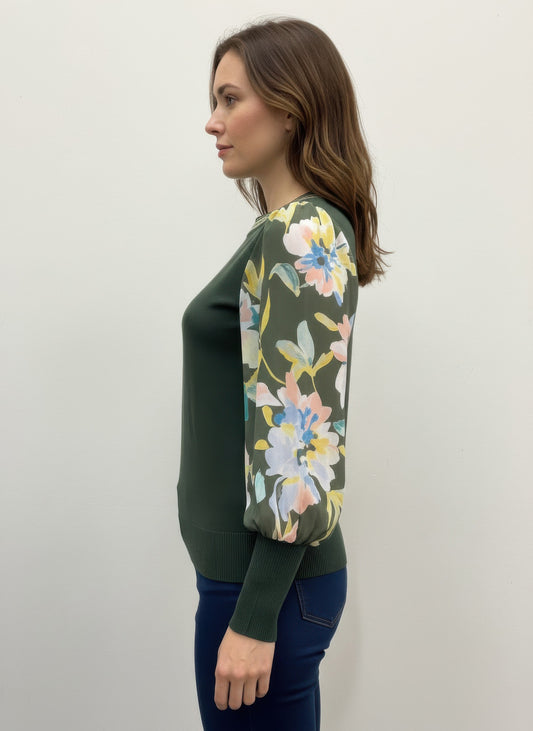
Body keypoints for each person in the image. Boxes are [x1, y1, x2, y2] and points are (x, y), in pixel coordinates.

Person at [176, 16, 389, 731]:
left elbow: (303, 439)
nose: (213, 121)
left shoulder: (301, 233)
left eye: (230, 99)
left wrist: (255, 613)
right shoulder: (290, 229)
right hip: (257, 583)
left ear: (291, 107)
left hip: (263, 588)